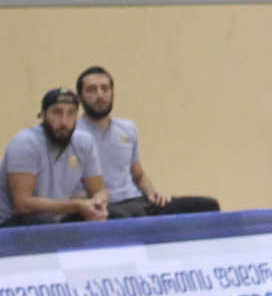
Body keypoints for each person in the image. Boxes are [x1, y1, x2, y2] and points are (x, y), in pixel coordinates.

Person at [72, 66, 218, 217]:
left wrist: (153, 193)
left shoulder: (127, 129)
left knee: (208, 205)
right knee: (124, 219)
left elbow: (139, 176)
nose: (100, 95)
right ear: (80, 97)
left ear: (113, 93)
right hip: (105, 207)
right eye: (92, 90)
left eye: (105, 89)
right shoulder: (73, 134)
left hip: (137, 200)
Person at [1, 89, 107, 226]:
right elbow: (23, 204)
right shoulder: (25, 143)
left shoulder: (84, 143)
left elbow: (99, 190)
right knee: (43, 221)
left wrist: (98, 203)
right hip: (12, 224)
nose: (64, 122)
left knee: (109, 215)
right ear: (43, 115)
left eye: (71, 113)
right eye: (57, 113)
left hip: (56, 218)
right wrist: (77, 205)